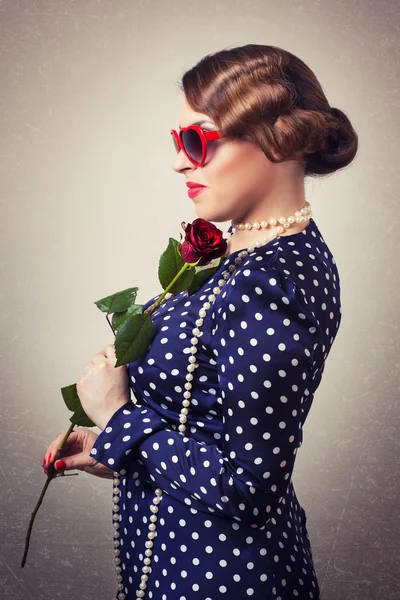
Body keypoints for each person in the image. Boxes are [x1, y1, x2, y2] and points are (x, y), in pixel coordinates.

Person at [43, 44, 358, 599]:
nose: (179, 161)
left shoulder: (272, 285)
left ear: (276, 140)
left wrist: (119, 416)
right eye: (178, 141)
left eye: (197, 140)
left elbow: (249, 493)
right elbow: (206, 424)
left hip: (224, 582)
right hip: (175, 567)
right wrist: (112, 447)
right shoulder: (242, 252)